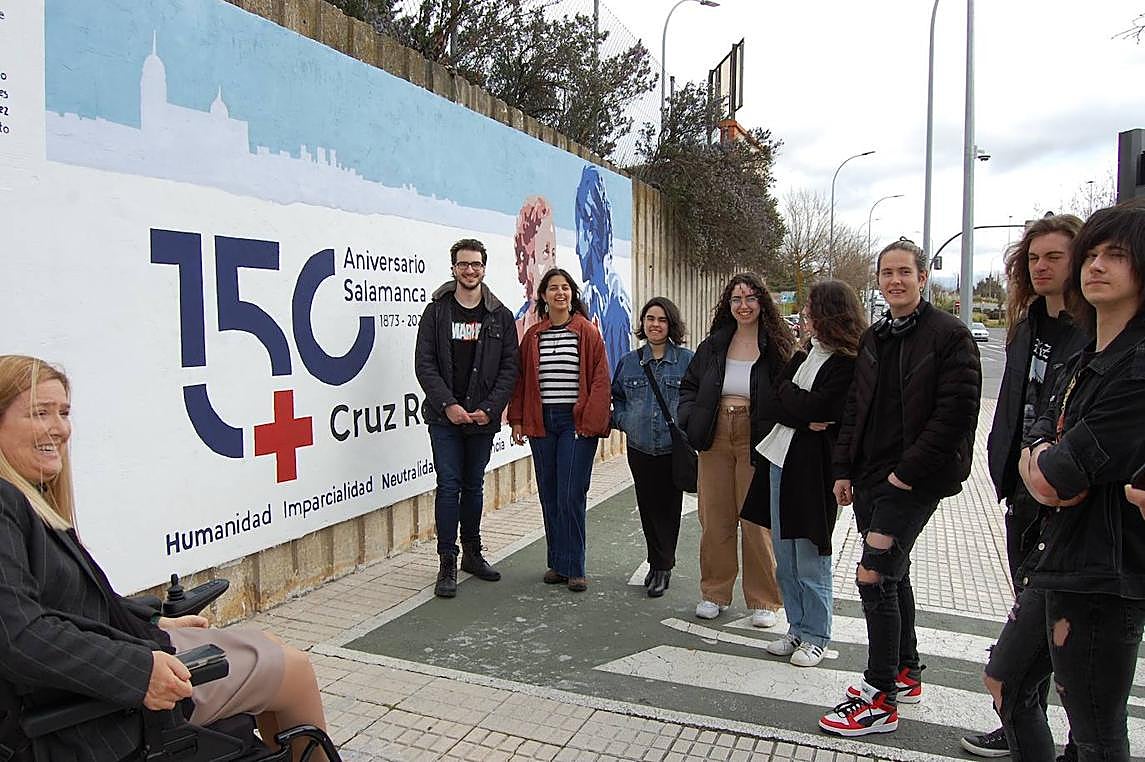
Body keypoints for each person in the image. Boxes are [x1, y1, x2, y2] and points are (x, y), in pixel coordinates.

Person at [0, 355, 329, 762]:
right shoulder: (5, 503)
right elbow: (18, 636)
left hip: (114, 657)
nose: (59, 428)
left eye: (63, 413)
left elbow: (72, 605)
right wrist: (139, 673)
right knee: (295, 671)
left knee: (271, 645)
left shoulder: (29, 498)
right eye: (40, 413)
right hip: (99, 707)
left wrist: (153, 621)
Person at [819, 238, 981, 737]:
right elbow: (855, 409)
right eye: (887, 273)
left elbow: (955, 415)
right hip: (870, 477)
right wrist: (842, 469)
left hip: (914, 480)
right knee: (895, 573)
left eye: (904, 272)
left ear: (922, 277)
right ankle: (906, 671)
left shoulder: (950, 336)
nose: (895, 281)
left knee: (873, 576)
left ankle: (879, 696)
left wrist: (905, 474)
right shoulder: (876, 336)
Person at [1014, 202, 1145, 760]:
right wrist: (1041, 456)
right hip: (1059, 553)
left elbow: (1060, 475)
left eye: (1115, 255)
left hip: (1105, 571)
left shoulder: (1137, 367)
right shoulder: (1083, 356)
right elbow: (1039, 435)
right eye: (1090, 255)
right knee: (1006, 681)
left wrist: (1043, 459)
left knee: (1093, 730)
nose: (1096, 266)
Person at [961, 214, 1085, 757]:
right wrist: (1006, 474)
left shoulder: (1094, 331)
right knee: (1026, 625)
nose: (1041, 267)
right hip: (1022, 494)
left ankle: (1080, 740)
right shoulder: (1028, 324)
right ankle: (1018, 721)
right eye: (1033, 258)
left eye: (1054, 257)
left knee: (1061, 640)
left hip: (1070, 503)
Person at [741, 280, 864, 667]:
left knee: (810, 554)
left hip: (814, 469)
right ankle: (796, 628)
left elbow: (820, 408)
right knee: (785, 552)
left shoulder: (848, 362)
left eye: (811, 309)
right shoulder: (804, 353)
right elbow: (773, 400)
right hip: (780, 460)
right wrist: (801, 411)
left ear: (831, 313)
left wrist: (797, 406)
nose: (806, 316)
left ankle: (816, 635)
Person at [677, 273, 793, 627]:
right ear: (728, 304)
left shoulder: (777, 345)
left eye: (750, 298)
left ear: (762, 302)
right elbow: (689, 386)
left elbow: (791, 390)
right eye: (736, 299)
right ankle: (714, 593)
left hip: (756, 436)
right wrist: (690, 419)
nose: (743, 306)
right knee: (715, 518)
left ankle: (764, 600)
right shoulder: (714, 345)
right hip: (715, 436)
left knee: (756, 521)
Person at [415, 238, 519, 599]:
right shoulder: (436, 312)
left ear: (484, 268)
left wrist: (489, 408)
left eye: (475, 264)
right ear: (454, 268)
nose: (470, 270)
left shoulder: (500, 315)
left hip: (481, 420)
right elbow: (424, 364)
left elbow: (509, 368)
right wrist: (448, 405)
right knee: (448, 486)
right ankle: (447, 561)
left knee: (473, 486)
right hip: (443, 419)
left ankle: (473, 554)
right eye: (463, 264)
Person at [508, 268, 611, 593]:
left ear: (572, 294)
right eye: (553, 288)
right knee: (550, 493)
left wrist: (589, 422)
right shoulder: (533, 336)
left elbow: (600, 380)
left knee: (570, 493)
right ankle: (557, 563)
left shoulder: (586, 332)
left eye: (565, 287)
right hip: (542, 423)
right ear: (543, 296)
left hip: (574, 424)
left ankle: (575, 567)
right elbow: (521, 382)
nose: (560, 293)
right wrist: (518, 420)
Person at [611, 297, 695, 597]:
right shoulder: (629, 362)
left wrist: (688, 427)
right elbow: (617, 397)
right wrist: (626, 421)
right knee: (647, 507)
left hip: (672, 448)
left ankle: (663, 566)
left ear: (671, 324)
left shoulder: (687, 360)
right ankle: (656, 562)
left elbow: (697, 399)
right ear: (643, 323)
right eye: (650, 319)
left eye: (661, 320)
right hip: (641, 446)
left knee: (669, 507)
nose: (655, 325)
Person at [575, 165, 633, 373]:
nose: (577, 247)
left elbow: (618, 380)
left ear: (599, 229)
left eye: (584, 229)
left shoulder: (615, 304)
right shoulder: (589, 296)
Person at [513, 197, 558, 342]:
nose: (552, 265)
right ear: (524, 258)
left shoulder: (571, 325)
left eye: (554, 254)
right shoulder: (513, 329)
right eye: (545, 252)